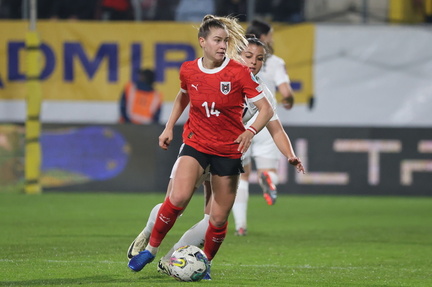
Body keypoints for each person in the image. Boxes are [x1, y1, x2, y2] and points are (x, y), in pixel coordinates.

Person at [126, 35, 305, 279]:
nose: (253, 63)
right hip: (197, 145)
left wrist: (290, 155)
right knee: (176, 202)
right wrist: (169, 127)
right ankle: (148, 234)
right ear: (235, 53)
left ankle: (171, 260)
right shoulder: (217, 71)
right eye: (248, 56)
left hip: (226, 152)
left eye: (260, 59)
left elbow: (276, 128)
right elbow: (184, 94)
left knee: (214, 218)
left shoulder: (262, 92)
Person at [242, 19, 295, 207]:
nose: (272, 40)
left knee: (241, 177)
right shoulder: (275, 62)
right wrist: (288, 100)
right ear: (263, 37)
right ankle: (268, 177)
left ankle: (240, 226)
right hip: (265, 119)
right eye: (270, 36)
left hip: (241, 122)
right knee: (268, 167)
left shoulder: (236, 58)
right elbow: (286, 92)